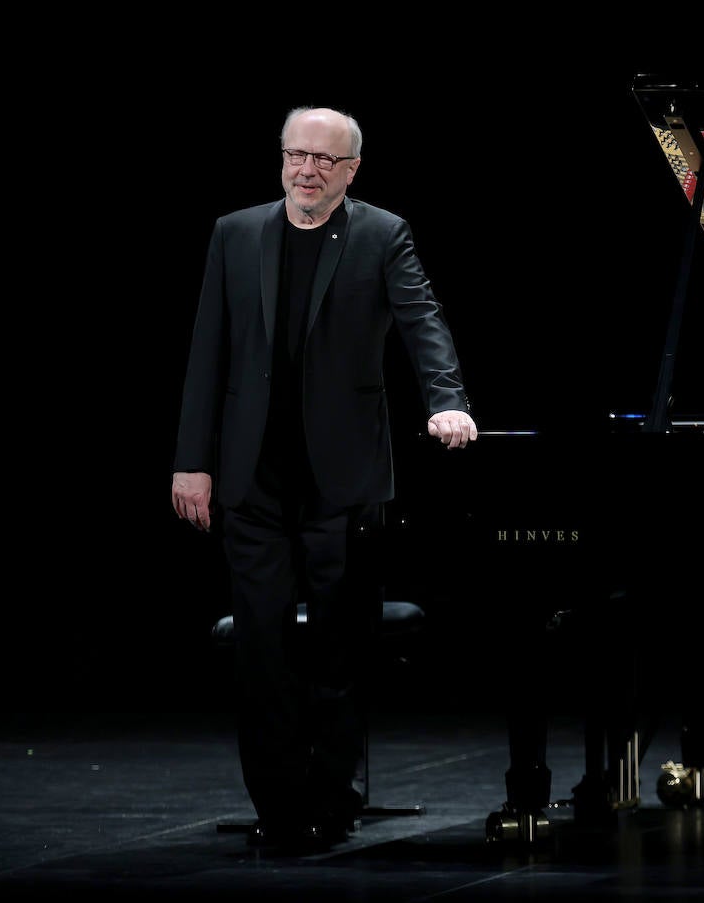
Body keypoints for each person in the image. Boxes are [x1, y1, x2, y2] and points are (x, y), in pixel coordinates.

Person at [170, 105, 477, 852]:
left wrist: (447, 401)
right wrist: (191, 460)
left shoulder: (381, 233)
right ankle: (278, 805)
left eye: (324, 161)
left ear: (351, 171)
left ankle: (333, 799)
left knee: (341, 648)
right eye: (296, 155)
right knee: (262, 651)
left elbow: (422, 319)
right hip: (252, 478)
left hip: (343, 479)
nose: (307, 170)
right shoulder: (236, 232)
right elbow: (207, 349)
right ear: (281, 158)